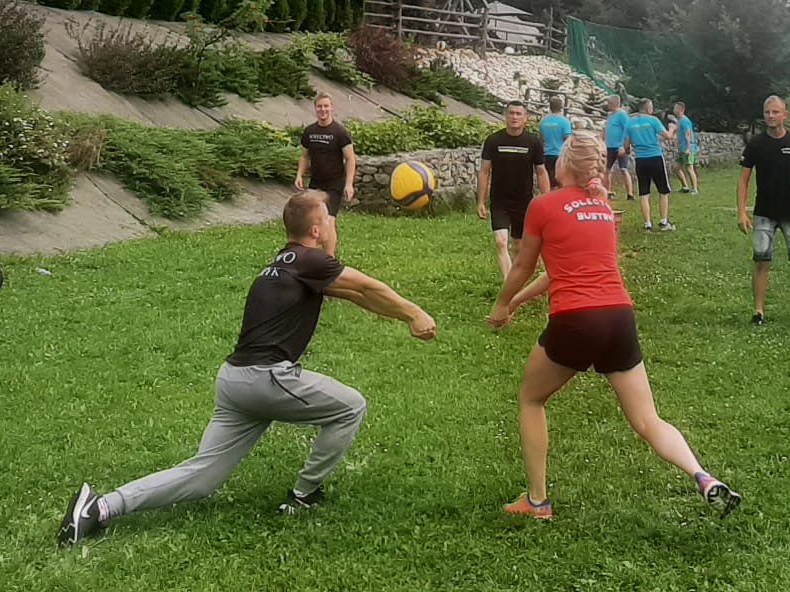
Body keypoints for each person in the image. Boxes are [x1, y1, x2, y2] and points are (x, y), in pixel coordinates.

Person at [58, 191, 438, 543]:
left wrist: (401, 317)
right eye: (327, 218)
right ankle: (305, 495)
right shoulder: (309, 260)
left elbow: (356, 295)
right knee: (350, 406)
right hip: (266, 379)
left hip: (234, 382)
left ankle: (99, 507)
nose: (331, 223)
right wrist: (416, 313)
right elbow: (369, 286)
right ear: (316, 229)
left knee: (202, 477)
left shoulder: (286, 263)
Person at [486, 137, 741, 520]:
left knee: (531, 399)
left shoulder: (543, 205)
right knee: (647, 419)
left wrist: (502, 303)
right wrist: (518, 302)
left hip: (576, 320)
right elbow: (559, 273)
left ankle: (537, 502)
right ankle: (701, 475)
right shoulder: (603, 207)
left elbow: (523, 265)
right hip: (619, 316)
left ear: (564, 164)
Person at [737, 96, 790, 325]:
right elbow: (744, 180)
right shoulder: (756, 144)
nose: (771, 116)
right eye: (767, 112)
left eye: (775, 112)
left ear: (785, 114)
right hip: (764, 212)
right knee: (761, 261)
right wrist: (742, 212)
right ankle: (759, 312)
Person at [479, 101, 549, 279]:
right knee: (501, 242)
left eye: (519, 114)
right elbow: (484, 171)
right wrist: (480, 201)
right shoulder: (494, 140)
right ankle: (508, 285)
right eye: (511, 113)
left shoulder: (533, 142)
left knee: (519, 245)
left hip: (524, 202)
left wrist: (547, 200)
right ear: (505, 116)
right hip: (499, 201)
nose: (514, 117)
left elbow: (541, 172)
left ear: (526, 118)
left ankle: (517, 282)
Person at [296, 94, 356, 217]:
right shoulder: (309, 131)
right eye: (319, 106)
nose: (323, 109)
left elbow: (350, 159)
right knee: (312, 217)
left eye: (326, 106)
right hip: (315, 182)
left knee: (329, 218)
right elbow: (305, 156)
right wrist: (299, 175)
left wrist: (349, 184)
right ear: (315, 108)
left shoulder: (340, 132)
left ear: (331, 108)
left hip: (334, 183)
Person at [628, 98, 674, 231]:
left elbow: (626, 145)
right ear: (648, 108)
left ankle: (647, 224)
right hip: (655, 157)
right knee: (663, 191)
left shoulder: (630, 123)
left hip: (640, 160)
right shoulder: (653, 120)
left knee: (644, 192)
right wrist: (672, 128)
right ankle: (664, 222)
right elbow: (667, 136)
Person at [602, 95, 635, 202]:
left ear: (614, 103)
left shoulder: (622, 115)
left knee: (623, 169)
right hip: (610, 146)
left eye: (609, 103)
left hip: (620, 146)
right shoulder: (610, 115)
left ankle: (630, 194)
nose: (608, 105)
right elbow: (606, 129)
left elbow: (628, 130)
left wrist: (624, 146)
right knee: (607, 170)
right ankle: (607, 191)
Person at [538, 95, 573, 189]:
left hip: (547, 154)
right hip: (560, 154)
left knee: (549, 180)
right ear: (561, 107)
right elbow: (568, 139)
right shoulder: (565, 121)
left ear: (550, 107)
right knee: (561, 181)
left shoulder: (543, 121)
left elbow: (540, 139)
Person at [673, 101, 700, 194]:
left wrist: (688, 148)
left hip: (688, 148)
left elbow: (688, 134)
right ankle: (685, 187)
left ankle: (695, 189)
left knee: (689, 168)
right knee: (676, 167)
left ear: (681, 109)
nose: (674, 110)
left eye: (675, 108)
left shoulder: (685, 120)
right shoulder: (679, 120)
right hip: (681, 148)